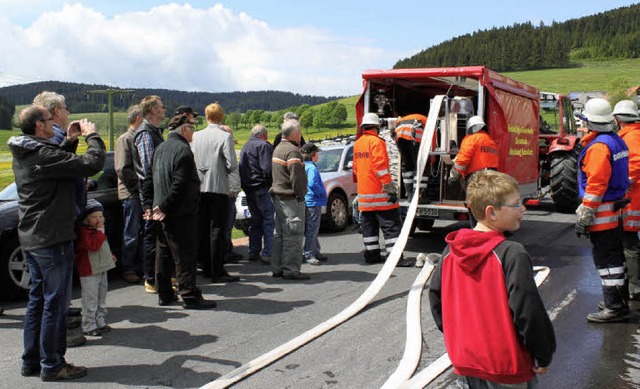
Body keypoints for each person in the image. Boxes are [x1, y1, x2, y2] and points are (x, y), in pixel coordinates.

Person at [429, 170, 556, 388]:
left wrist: (462, 342)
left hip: (466, 363)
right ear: (492, 213)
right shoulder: (511, 253)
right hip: (507, 368)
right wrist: (543, 353)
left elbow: (436, 302)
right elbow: (528, 312)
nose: (523, 209)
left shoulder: (449, 253)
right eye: (516, 204)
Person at [10, 105, 105, 381]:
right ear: (39, 125)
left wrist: (69, 141)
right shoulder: (42, 153)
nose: (55, 122)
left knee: (37, 300)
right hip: (52, 238)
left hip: (35, 237)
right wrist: (92, 136)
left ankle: (32, 361)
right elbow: (93, 164)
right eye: (51, 119)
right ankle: (52, 364)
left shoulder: (28, 151)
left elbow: (56, 163)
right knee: (55, 302)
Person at [151, 114, 217, 309]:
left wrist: (153, 206)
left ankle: (164, 293)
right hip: (178, 211)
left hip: (161, 209)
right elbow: (179, 184)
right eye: (192, 128)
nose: (193, 132)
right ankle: (189, 295)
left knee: (163, 253)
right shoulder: (183, 150)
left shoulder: (160, 148)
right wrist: (164, 206)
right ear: (184, 129)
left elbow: (149, 178)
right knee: (184, 255)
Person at [576, 97, 630, 323]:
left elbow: (596, 186)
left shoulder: (598, 147)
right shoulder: (617, 141)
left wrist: (585, 216)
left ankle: (614, 307)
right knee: (616, 259)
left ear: (590, 123)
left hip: (603, 216)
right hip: (617, 212)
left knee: (608, 263)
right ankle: (618, 300)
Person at [353, 113, 413, 267]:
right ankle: (395, 258)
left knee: (369, 226)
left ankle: (372, 255)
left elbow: (355, 169)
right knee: (391, 226)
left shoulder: (358, 143)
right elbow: (381, 168)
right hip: (380, 194)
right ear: (377, 126)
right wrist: (389, 188)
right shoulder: (376, 142)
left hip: (365, 196)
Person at [190, 103, 240, 283]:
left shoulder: (196, 136)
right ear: (221, 116)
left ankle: (204, 264)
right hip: (218, 186)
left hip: (200, 186)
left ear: (206, 115)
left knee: (202, 228)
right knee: (217, 228)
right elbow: (232, 164)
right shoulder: (225, 136)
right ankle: (216, 269)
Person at [132, 95, 167, 294]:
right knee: (152, 234)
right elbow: (148, 168)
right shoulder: (145, 133)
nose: (164, 110)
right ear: (153, 110)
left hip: (155, 190)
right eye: (161, 107)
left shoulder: (154, 131)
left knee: (158, 234)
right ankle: (151, 278)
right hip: (151, 192)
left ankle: (159, 276)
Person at [270, 119, 309, 280]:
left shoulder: (278, 148)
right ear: (293, 134)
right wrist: (300, 195)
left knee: (279, 234)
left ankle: (277, 268)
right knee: (293, 234)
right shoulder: (292, 151)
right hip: (290, 198)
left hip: (278, 197)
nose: (300, 136)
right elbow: (297, 177)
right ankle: (291, 270)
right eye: (299, 132)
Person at [74, 199, 116, 337]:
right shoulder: (86, 232)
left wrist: (110, 255)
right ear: (86, 219)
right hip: (89, 270)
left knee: (101, 297)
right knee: (90, 298)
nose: (98, 219)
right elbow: (93, 245)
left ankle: (100, 320)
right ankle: (88, 324)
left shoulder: (98, 231)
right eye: (94, 217)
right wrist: (100, 231)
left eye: (100, 216)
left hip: (102, 266)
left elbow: (103, 244)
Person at [613, 100, 640, 300]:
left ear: (618, 119)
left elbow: (636, 161)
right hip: (633, 196)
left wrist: (625, 182)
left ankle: (634, 288)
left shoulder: (631, 136)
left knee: (629, 242)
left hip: (633, 197)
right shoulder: (633, 134)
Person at [114, 104, 144, 284]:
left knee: (140, 233)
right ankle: (128, 268)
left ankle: (140, 266)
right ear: (139, 119)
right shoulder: (125, 139)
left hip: (138, 193)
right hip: (131, 194)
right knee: (131, 233)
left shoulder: (138, 137)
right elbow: (122, 169)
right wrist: (140, 188)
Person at [240, 124, 275, 264]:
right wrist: (270, 183)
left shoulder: (245, 146)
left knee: (255, 221)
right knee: (268, 220)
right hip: (261, 187)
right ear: (263, 134)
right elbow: (267, 169)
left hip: (249, 189)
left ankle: (253, 251)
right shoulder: (264, 146)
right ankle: (268, 253)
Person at [447, 115, 499, 185]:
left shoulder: (471, 139)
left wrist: (453, 176)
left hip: (478, 178)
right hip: (493, 178)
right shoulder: (490, 141)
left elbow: (462, 161)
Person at [301, 142, 328, 265]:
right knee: (313, 228)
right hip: (313, 200)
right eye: (317, 153)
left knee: (312, 227)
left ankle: (315, 250)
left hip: (306, 200)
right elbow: (312, 183)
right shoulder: (311, 167)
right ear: (313, 154)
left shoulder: (303, 165)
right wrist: (322, 192)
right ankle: (309, 253)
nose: (318, 155)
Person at [220, 125, 244, 262]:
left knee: (229, 223)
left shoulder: (229, 150)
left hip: (232, 193)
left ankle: (228, 249)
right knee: (226, 224)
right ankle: (225, 252)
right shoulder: (222, 151)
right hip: (227, 193)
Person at [393, 113, 429, 200]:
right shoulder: (429, 121)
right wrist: (431, 159)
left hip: (398, 133)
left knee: (407, 163)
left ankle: (409, 194)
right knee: (420, 164)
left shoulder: (407, 118)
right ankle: (420, 196)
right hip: (414, 131)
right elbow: (432, 140)